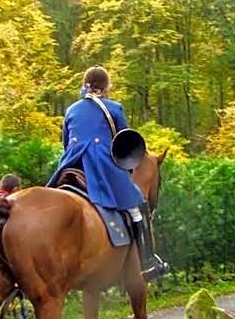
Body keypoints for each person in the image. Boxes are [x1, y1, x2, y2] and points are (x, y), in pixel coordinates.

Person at [47, 65, 167, 280]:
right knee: (137, 206)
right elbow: (124, 144)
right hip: (101, 165)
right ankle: (147, 262)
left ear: (85, 86)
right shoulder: (114, 108)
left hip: (71, 164)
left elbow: (66, 144)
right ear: (106, 87)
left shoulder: (71, 110)